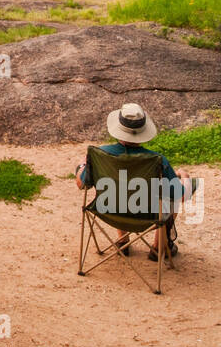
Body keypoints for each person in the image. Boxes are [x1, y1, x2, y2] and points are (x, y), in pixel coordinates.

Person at [74, 102, 192, 261]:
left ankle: (123, 242)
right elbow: (182, 196)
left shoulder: (99, 154)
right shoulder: (157, 161)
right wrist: (185, 177)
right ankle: (158, 249)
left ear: (118, 129)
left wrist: (83, 164)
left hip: (108, 210)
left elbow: (82, 184)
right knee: (170, 200)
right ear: (143, 131)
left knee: (118, 190)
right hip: (148, 216)